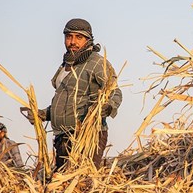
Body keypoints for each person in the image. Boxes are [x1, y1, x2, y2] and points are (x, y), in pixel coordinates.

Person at [23, 18, 122, 171]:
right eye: (69, 37)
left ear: (88, 40)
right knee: (63, 184)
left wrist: (109, 107)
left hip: (87, 136)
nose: (72, 42)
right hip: (62, 138)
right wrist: (43, 114)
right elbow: (64, 102)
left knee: (83, 182)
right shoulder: (66, 66)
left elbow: (115, 91)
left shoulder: (97, 63)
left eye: (79, 37)